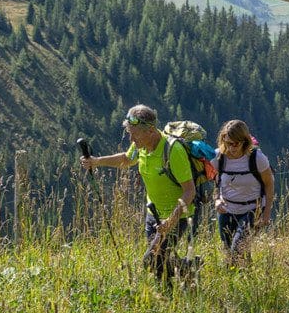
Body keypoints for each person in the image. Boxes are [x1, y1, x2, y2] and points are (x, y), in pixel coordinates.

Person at [81, 104, 195, 281]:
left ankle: (184, 273)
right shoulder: (141, 145)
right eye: (129, 133)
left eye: (135, 134)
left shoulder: (173, 151)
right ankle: (183, 274)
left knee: (151, 260)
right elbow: (127, 159)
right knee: (159, 264)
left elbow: (189, 191)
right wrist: (96, 162)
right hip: (153, 215)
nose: (131, 139)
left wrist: (171, 220)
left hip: (176, 217)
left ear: (150, 130)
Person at [211, 119, 275, 265]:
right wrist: (217, 199)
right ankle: (245, 278)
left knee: (238, 247)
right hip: (227, 209)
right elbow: (215, 181)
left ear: (244, 141)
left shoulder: (257, 158)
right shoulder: (218, 157)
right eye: (228, 143)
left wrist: (266, 214)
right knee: (229, 253)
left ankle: (242, 278)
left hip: (252, 209)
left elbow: (269, 184)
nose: (232, 147)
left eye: (236, 143)